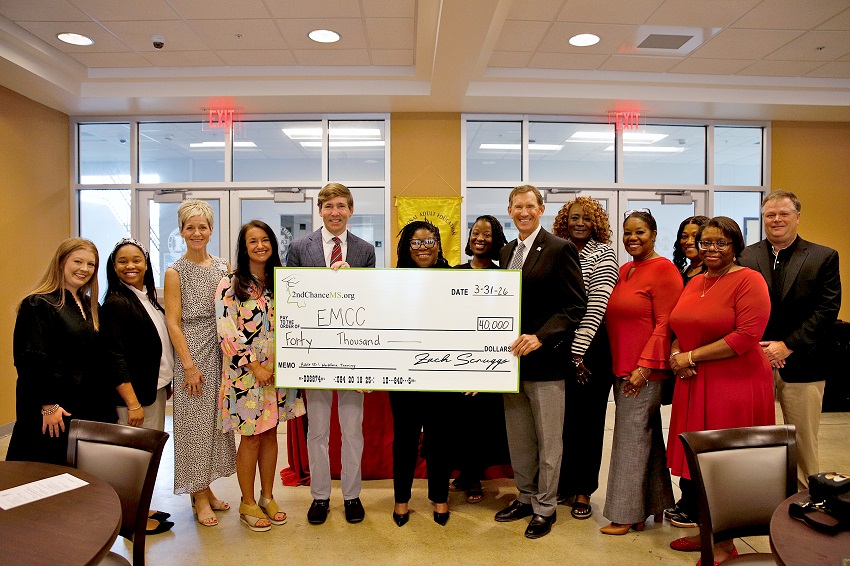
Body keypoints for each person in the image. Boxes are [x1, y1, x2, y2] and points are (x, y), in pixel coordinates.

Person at [667, 216, 774, 561]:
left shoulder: (749, 280)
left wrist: (690, 356)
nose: (711, 249)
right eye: (705, 242)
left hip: (734, 383)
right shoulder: (696, 280)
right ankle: (706, 531)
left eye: (720, 243)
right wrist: (675, 354)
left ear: (736, 246)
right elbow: (677, 325)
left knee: (724, 465)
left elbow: (746, 336)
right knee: (700, 463)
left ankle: (725, 543)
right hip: (695, 381)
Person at [494, 185, 586, 539]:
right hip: (510, 365)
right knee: (520, 440)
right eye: (518, 206)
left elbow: (575, 306)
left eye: (530, 206)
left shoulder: (560, 249)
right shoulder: (506, 252)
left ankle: (545, 508)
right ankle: (526, 497)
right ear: (510, 209)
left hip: (546, 362)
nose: (524, 212)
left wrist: (540, 336)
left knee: (549, 442)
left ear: (541, 208)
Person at [286, 182, 376, 525]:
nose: (335, 212)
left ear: (350, 209)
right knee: (318, 431)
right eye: (328, 206)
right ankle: (320, 497)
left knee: (353, 430)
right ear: (320, 211)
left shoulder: (365, 250)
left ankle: (352, 495)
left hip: (353, 353)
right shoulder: (298, 247)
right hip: (313, 352)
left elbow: (370, 301)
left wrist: (355, 281)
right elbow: (291, 298)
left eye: (341, 206)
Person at [739, 190, 841, 489]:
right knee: (752, 439)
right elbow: (738, 307)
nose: (777, 220)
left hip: (804, 365)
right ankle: (755, 498)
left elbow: (827, 310)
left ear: (797, 217)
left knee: (803, 443)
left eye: (784, 213)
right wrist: (759, 346)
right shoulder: (746, 256)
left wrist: (787, 345)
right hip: (753, 361)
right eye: (770, 214)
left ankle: (806, 502)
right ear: (763, 218)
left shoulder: (823, 257)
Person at [217, 220, 304, 532]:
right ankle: (247, 501)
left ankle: (268, 497)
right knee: (251, 437)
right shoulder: (231, 283)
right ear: (244, 247)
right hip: (247, 375)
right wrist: (255, 366)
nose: (260, 246)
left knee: (270, 434)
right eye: (252, 241)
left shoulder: (283, 280)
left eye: (265, 239)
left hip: (281, 372)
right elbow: (227, 332)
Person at [601, 209, 682, 536]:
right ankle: (655, 504)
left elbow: (667, 323)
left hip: (644, 372)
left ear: (654, 234)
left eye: (640, 233)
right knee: (645, 439)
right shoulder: (627, 270)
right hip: (623, 367)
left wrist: (646, 367)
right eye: (627, 233)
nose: (632, 238)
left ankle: (625, 515)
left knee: (629, 440)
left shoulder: (664, 271)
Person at [7, 238, 115, 465]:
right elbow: (30, 360)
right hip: (54, 409)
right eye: (78, 261)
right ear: (61, 263)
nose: (84, 269)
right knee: (46, 475)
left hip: (84, 406)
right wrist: (48, 405)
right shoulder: (38, 304)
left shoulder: (90, 305)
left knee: (80, 475)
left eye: (91, 264)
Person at [164, 199, 236, 527]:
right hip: (192, 356)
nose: (196, 233)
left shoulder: (223, 267)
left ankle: (206, 488)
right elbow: (173, 322)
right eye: (189, 227)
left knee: (214, 427)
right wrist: (189, 366)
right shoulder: (175, 272)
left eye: (202, 227)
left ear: (211, 230)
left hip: (221, 353)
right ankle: (198, 494)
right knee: (193, 428)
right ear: (181, 231)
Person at [101, 238, 175, 535]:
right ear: (113, 267)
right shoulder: (116, 303)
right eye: (122, 261)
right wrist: (132, 404)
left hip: (153, 391)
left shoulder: (146, 297)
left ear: (146, 263)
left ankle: (141, 506)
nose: (130, 266)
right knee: (131, 462)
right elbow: (115, 357)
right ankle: (130, 520)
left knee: (145, 458)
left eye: (136, 260)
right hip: (134, 399)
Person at [551, 197, 618, 520]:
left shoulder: (603, 254)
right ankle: (564, 483)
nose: (579, 223)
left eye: (587, 219)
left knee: (589, 423)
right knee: (563, 422)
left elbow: (597, 306)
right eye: (574, 217)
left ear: (596, 224)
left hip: (591, 349)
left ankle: (583, 491)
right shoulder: (557, 250)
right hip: (558, 345)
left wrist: (578, 352)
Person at [391, 220, 453, 527]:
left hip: (442, 375)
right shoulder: (391, 281)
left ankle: (440, 498)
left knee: (439, 439)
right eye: (416, 242)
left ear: (439, 245)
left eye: (430, 242)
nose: (424, 248)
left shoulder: (455, 279)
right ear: (406, 247)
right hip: (403, 375)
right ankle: (401, 500)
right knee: (404, 438)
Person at [450, 215, 510, 503]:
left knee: (483, 423)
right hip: (458, 359)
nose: (480, 239)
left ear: (496, 239)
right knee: (459, 422)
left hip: (490, 361)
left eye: (487, 234)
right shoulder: (455, 273)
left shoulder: (506, 275)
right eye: (476, 233)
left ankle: (475, 478)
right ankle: (464, 473)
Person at [673, 216, 710, 285]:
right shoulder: (681, 273)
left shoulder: (715, 274)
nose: (689, 242)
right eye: (685, 237)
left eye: (695, 236)